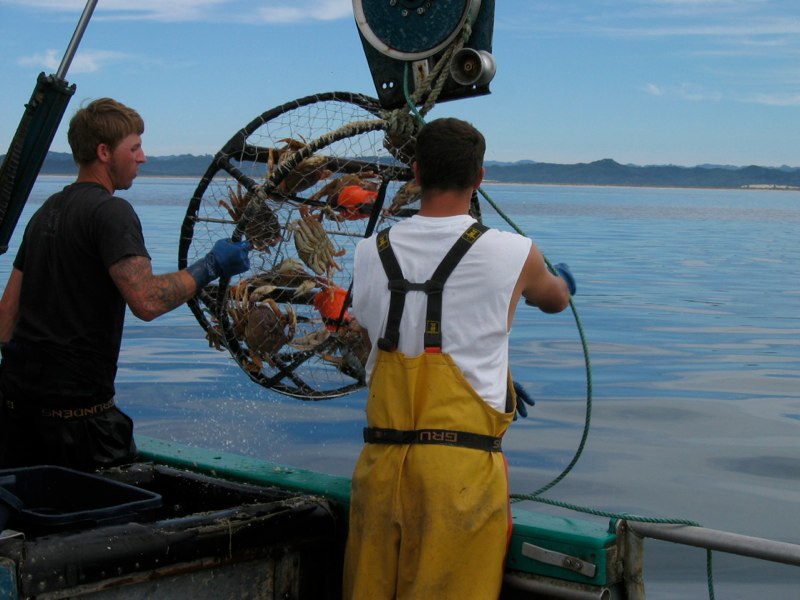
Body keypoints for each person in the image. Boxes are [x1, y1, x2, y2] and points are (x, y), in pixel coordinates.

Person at [343, 117, 576, 599]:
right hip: (459, 476)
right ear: (480, 179)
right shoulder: (515, 252)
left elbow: (371, 345)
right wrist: (563, 284)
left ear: (416, 173)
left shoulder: (370, 252)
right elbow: (553, 299)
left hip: (380, 468)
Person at [0, 97, 250, 471]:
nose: (143, 158)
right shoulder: (111, 212)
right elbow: (146, 301)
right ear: (104, 152)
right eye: (134, 148)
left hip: (18, 416)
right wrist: (211, 265)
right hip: (80, 425)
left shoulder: (45, 211)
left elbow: (6, 315)